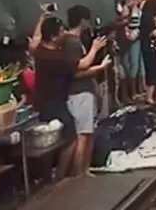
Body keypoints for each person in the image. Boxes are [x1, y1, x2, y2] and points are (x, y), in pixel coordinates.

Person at [33, 16, 108, 180]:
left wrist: (41, 17)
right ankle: (61, 176)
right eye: (61, 32)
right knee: (72, 138)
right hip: (54, 102)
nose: (64, 34)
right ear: (53, 37)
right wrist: (95, 48)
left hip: (46, 100)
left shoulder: (39, 50)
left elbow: (36, 39)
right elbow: (83, 64)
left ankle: (59, 174)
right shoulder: (55, 58)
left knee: (63, 139)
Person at [62, 5, 111, 177]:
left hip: (85, 91)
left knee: (88, 133)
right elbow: (77, 71)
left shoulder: (72, 41)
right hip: (79, 92)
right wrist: (99, 63)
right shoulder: (72, 43)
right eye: (87, 20)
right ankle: (79, 172)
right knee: (83, 134)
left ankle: (84, 169)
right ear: (82, 21)